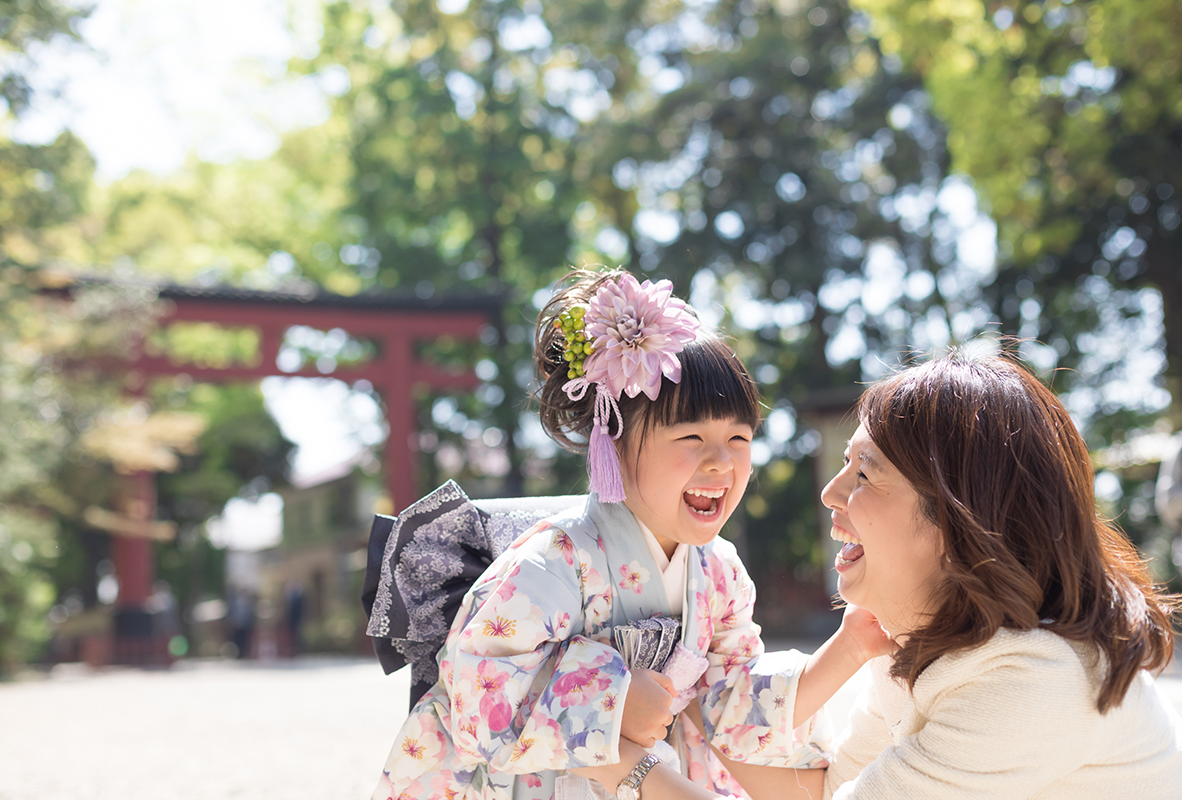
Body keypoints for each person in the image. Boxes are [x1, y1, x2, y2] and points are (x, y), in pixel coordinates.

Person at [574, 349, 1182, 800]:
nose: (832, 494)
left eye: (865, 475)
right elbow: (828, 788)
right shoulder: (932, 644)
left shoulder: (1031, 680)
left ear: (957, 520)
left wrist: (625, 766)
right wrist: (693, 700)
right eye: (844, 466)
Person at [373, 269, 883, 800]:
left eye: (738, 436)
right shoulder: (553, 561)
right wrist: (612, 697)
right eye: (691, 435)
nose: (721, 461)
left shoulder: (720, 569)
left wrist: (849, 647)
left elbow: (728, 700)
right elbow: (479, 690)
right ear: (613, 444)